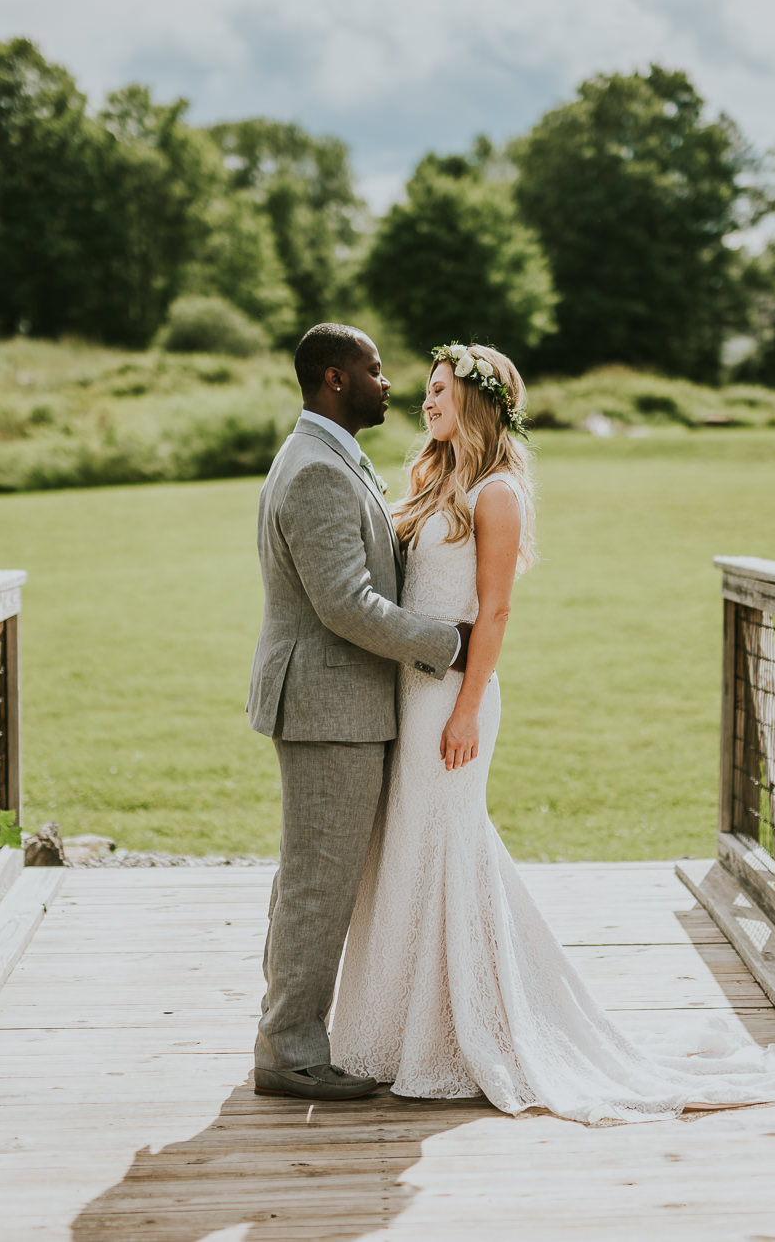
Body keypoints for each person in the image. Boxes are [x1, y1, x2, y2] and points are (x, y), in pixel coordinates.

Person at [330, 341, 775, 1124]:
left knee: (450, 845)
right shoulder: (435, 477)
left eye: (441, 390)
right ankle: (407, 1029)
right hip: (407, 696)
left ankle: (472, 1029)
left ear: (478, 400)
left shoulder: (495, 493)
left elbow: (495, 612)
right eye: (426, 390)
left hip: (454, 697)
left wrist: (462, 708)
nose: (426, 402)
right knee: (414, 848)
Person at [245, 323, 470, 1101]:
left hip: (336, 701)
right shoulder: (315, 469)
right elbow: (345, 602)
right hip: (327, 703)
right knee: (317, 882)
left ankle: (288, 1033)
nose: (388, 382)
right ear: (336, 379)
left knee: (310, 877)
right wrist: (448, 644)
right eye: (375, 371)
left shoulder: (331, 455)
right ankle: (291, 1052)